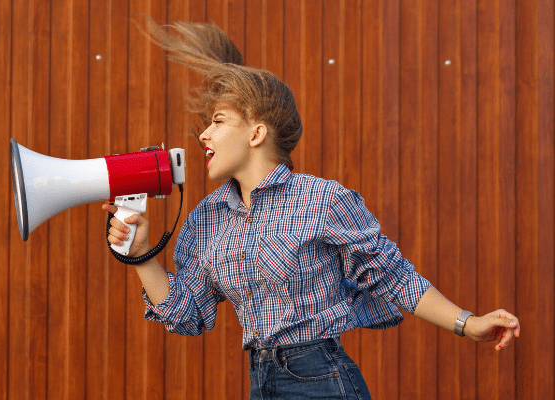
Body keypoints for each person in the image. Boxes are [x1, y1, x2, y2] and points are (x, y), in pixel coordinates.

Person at [102, 19, 520, 400]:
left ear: (257, 132)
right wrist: (142, 256)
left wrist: (469, 323)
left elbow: (396, 279)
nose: (204, 135)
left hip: (322, 382)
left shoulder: (321, 200)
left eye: (218, 121)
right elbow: (188, 315)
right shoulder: (208, 218)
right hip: (261, 383)